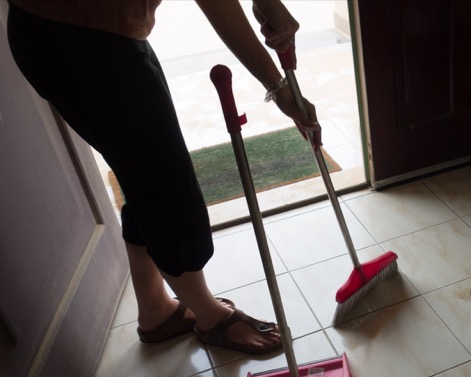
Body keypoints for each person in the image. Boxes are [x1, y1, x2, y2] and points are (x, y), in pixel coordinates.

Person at [6, 0, 321, 354]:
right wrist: (277, 87)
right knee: (164, 183)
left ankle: (156, 311)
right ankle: (211, 317)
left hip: (108, 30)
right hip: (73, 38)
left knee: (143, 171)